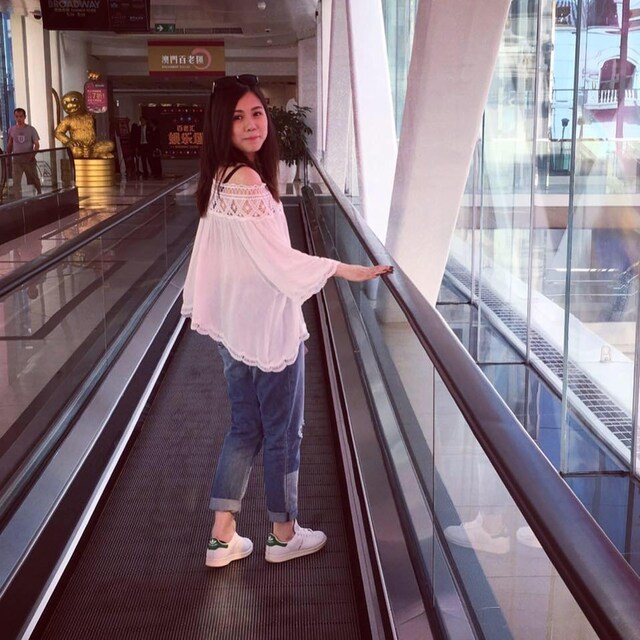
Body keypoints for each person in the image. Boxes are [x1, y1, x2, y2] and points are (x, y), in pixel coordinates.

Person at [182, 74, 393, 568]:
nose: (251, 124)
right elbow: (279, 262)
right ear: (222, 126)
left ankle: (221, 538)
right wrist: (344, 269)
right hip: (269, 330)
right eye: (238, 117)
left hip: (235, 329)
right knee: (282, 433)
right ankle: (283, 535)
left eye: (257, 113)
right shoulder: (248, 181)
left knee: (244, 429)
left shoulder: (218, 179)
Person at [53, 91, 114, 159]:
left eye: (74, 100)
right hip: (78, 146)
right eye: (65, 102)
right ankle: (95, 154)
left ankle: (92, 153)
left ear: (82, 100)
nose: (69, 105)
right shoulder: (68, 119)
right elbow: (57, 132)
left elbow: (100, 113)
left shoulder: (89, 115)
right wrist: (68, 141)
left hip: (92, 146)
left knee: (110, 145)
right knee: (75, 151)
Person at [7, 108, 42, 197]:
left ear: (24, 117)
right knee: (16, 181)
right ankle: (17, 199)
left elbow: (37, 145)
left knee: (34, 178)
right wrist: (8, 157)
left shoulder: (31, 129)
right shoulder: (11, 130)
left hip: (29, 160)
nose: (19, 119)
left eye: (21, 116)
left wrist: (32, 155)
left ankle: (39, 194)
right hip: (17, 160)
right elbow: (10, 144)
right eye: (17, 116)